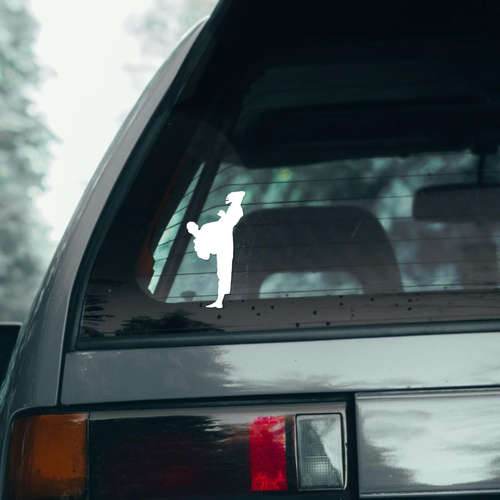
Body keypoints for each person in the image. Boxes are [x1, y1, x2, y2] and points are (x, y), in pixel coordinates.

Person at [186, 191, 245, 308]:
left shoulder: (237, 210)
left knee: (224, 273)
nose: (229, 200)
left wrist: (223, 216)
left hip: (224, 245)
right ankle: (220, 300)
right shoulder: (206, 229)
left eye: (231, 198)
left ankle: (221, 300)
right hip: (220, 244)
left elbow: (230, 223)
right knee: (222, 274)